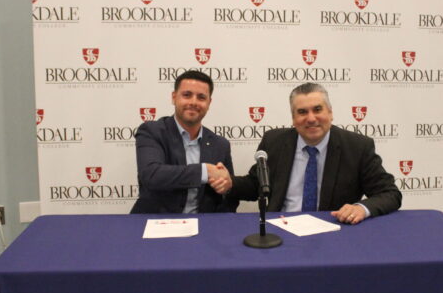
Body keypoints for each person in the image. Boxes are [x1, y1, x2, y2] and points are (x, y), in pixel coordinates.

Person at [211, 82, 401, 224]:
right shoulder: (274, 141)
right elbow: (257, 185)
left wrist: (361, 208)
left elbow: (390, 193)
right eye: (302, 112)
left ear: (330, 113)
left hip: (333, 228)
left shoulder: (357, 147)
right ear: (293, 118)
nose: (311, 118)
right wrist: (230, 183)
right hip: (281, 226)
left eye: (317, 109)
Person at [131, 70, 237, 214]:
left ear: (209, 103)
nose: (193, 102)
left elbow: (229, 198)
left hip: (204, 226)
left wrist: (227, 187)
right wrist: (205, 171)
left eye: (201, 97)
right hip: (155, 224)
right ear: (174, 97)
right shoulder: (151, 131)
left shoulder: (220, 144)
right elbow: (152, 175)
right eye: (187, 95)